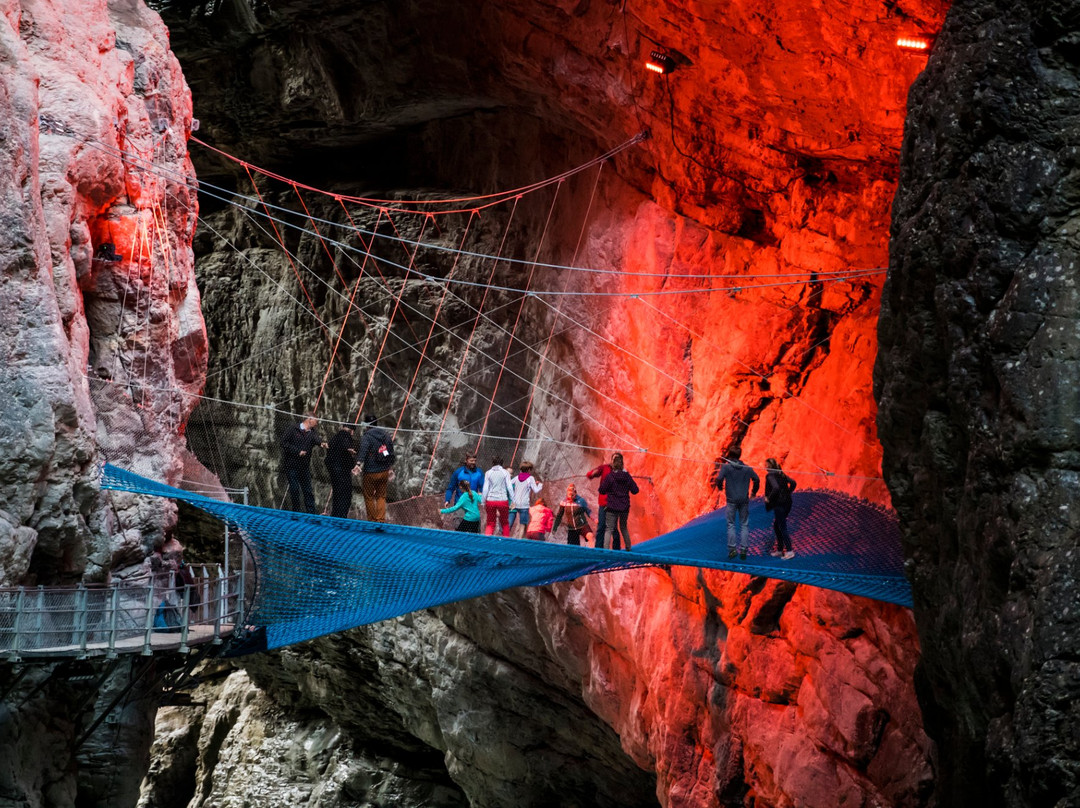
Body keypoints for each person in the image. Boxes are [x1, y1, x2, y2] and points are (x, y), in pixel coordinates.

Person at [714, 447, 760, 560]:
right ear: (739, 455)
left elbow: (718, 479)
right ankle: (744, 549)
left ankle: (732, 550)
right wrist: (753, 493)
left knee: (731, 525)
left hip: (731, 501)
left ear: (730, 455)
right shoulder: (747, 468)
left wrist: (720, 488)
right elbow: (757, 479)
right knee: (744, 525)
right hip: (744, 500)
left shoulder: (726, 468)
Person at [280, 413, 326, 512]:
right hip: (291, 465)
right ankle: (296, 511)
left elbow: (317, 440)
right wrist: (297, 451)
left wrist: (322, 443)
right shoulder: (293, 429)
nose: (317, 423)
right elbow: (283, 443)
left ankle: (311, 513)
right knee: (295, 489)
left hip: (304, 466)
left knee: (308, 490)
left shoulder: (312, 432)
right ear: (309, 419)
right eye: (316, 420)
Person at [356, 413, 395, 522]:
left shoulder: (367, 436)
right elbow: (390, 452)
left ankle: (372, 520)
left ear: (367, 425)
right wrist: (390, 468)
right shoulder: (386, 435)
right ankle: (381, 520)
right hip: (384, 471)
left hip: (370, 472)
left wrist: (358, 464)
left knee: (368, 496)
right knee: (381, 496)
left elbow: (363, 451)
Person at [597, 453, 639, 550]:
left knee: (609, 529)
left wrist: (610, 489)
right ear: (622, 463)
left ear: (613, 464)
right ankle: (628, 548)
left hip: (612, 506)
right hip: (624, 507)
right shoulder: (627, 476)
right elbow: (635, 490)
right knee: (623, 527)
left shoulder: (610, 476)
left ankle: (606, 550)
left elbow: (601, 490)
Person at [764, 457, 797, 559]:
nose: (764, 466)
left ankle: (790, 551)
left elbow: (776, 488)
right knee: (777, 526)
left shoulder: (770, 476)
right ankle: (779, 550)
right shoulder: (780, 474)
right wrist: (788, 493)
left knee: (782, 527)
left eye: (765, 465)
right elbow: (793, 483)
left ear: (768, 466)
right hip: (788, 503)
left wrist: (769, 499)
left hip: (779, 504)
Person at [325, 423, 358, 518]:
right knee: (345, 494)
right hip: (343, 470)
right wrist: (352, 462)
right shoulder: (347, 438)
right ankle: (341, 516)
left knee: (336, 493)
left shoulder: (334, 437)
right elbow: (347, 447)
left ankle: (334, 515)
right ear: (351, 431)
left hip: (333, 470)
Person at [481, 455, 513, 537]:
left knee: (490, 523)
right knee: (505, 523)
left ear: (492, 463)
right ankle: (506, 542)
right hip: (502, 500)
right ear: (502, 463)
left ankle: (487, 540)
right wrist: (513, 500)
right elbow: (509, 487)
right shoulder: (505, 472)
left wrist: (483, 501)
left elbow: (485, 489)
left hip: (490, 500)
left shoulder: (488, 473)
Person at [586, 458, 614, 549]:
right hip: (603, 502)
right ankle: (598, 548)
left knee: (612, 528)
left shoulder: (621, 471)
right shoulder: (604, 468)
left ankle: (612, 549)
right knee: (601, 526)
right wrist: (592, 474)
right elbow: (592, 473)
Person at [509, 461, 543, 537]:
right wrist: (540, 485)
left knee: (518, 523)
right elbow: (536, 490)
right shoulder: (530, 478)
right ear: (529, 470)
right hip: (524, 505)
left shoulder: (516, 477)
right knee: (523, 524)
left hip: (515, 504)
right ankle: (519, 541)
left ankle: (519, 537)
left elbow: (509, 484)